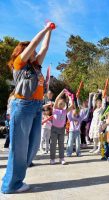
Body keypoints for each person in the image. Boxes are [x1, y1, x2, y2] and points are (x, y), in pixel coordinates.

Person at [1, 23, 53, 194]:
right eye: (29, 51)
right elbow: (35, 45)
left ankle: (12, 177)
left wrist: (50, 32)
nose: (34, 53)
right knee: (19, 148)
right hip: (23, 106)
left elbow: (44, 47)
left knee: (33, 146)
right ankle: (11, 185)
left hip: (36, 107)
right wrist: (45, 28)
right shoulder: (19, 64)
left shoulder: (36, 66)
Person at [50, 89, 73, 165]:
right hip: (54, 129)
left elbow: (72, 106)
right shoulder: (55, 109)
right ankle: (52, 158)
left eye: (62, 104)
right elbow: (56, 99)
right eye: (60, 103)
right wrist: (62, 92)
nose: (61, 104)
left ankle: (61, 158)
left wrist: (69, 97)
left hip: (61, 129)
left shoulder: (65, 111)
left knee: (61, 144)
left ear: (64, 105)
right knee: (53, 144)